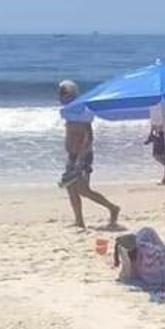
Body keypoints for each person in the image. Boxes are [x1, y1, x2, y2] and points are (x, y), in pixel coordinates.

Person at [58, 80, 120, 229]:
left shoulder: (82, 113)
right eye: (60, 93)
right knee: (70, 188)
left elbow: (88, 138)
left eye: (63, 93)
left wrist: (80, 159)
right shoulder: (69, 112)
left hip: (82, 157)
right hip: (72, 156)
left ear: (72, 95)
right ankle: (79, 222)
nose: (60, 96)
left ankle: (113, 208)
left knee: (83, 190)